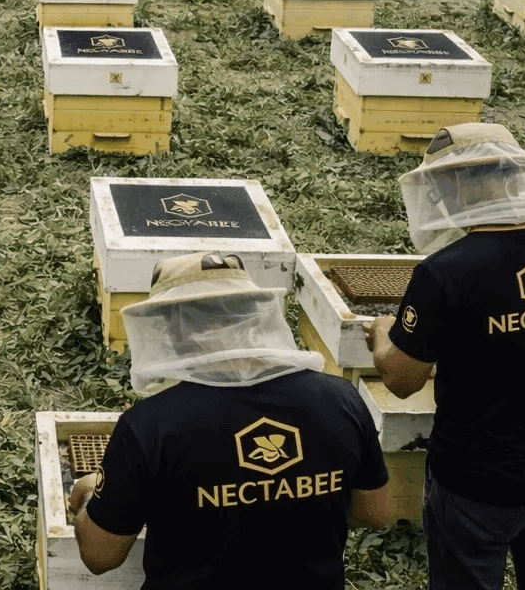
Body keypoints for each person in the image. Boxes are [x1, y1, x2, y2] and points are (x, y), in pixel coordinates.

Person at [367, 123, 525, 590]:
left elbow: (402, 380)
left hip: (476, 482)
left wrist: (383, 334)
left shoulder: (445, 272)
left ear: (460, 184)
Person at [69, 251, 391, 588]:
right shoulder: (341, 400)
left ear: (173, 328)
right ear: (252, 316)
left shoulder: (149, 427)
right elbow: (374, 513)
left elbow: (100, 556)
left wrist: (93, 497)